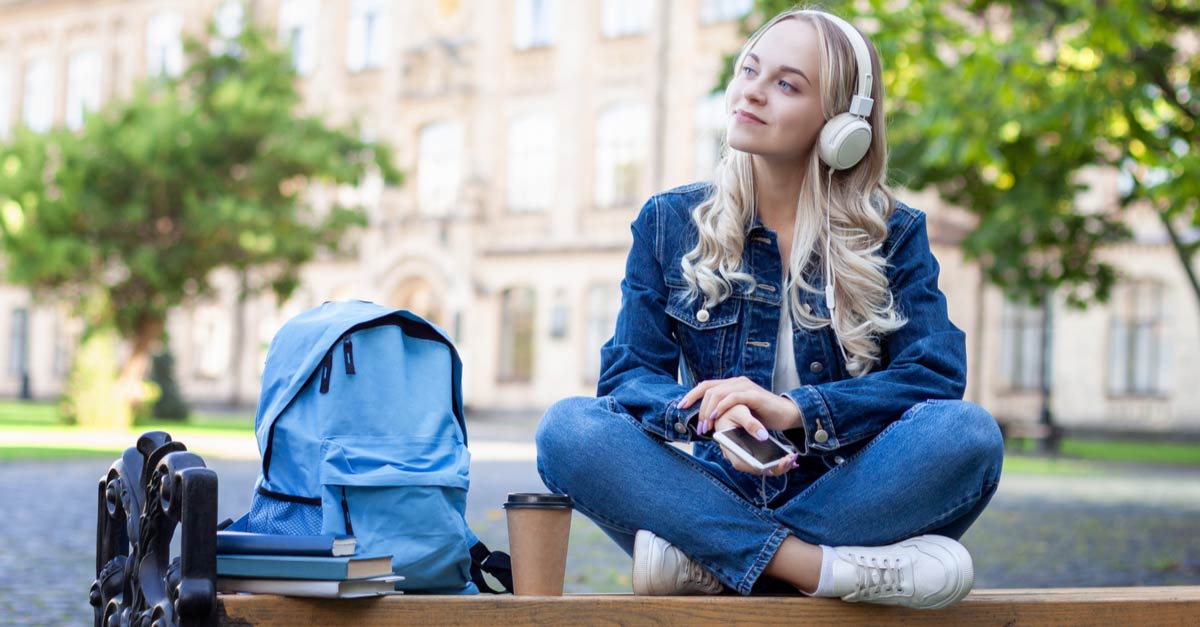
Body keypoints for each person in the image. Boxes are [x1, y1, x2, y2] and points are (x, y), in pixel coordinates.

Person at [535, 7, 1003, 609]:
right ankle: (816, 569)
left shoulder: (892, 232)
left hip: (849, 492)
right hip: (711, 491)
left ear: (843, 126)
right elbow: (627, 379)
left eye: (786, 84)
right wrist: (710, 414)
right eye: (750, 69)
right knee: (568, 429)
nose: (752, 91)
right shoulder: (668, 221)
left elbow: (933, 376)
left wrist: (791, 410)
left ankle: (711, 563)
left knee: (966, 433)